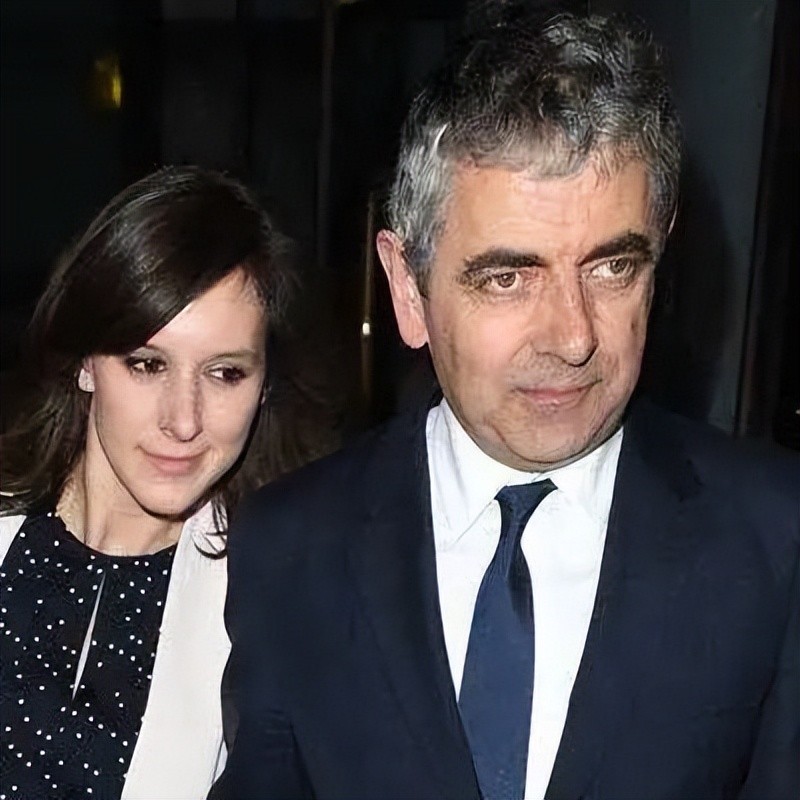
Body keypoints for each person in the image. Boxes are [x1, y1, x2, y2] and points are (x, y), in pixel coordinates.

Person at [210, 10, 800, 800]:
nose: (573, 337)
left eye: (613, 268)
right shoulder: (293, 548)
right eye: (508, 278)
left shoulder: (775, 538)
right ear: (408, 289)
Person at [0, 165, 316, 799]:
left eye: (225, 374)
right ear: (85, 363)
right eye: (147, 365)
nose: (183, 420)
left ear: (264, 388)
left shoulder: (279, 609)